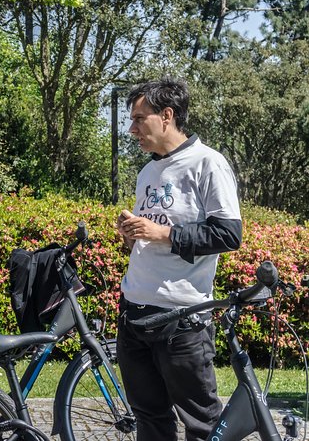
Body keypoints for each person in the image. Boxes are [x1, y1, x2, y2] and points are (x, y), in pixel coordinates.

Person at [115, 77, 242, 441]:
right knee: (150, 421)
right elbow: (151, 236)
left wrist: (162, 234)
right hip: (135, 313)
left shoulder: (208, 163)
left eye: (140, 118)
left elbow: (228, 235)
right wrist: (131, 236)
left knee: (202, 426)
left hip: (182, 321)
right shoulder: (147, 172)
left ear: (166, 115)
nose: (132, 128)